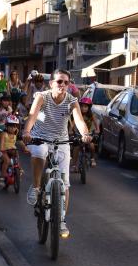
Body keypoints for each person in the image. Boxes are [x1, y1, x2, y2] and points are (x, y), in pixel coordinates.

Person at [22, 69, 92, 238]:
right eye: (59, 82)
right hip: (40, 137)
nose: (63, 85)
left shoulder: (72, 100)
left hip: (62, 141)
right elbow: (32, 116)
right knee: (39, 152)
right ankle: (37, 187)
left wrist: (85, 134)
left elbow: (79, 121)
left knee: (65, 183)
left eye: (66, 82)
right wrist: (26, 131)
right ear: (51, 83)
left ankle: (61, 220)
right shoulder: (41, 96)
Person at [0, 115, 29, 186]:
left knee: (16, 155)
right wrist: (3, 149)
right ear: (6, 126)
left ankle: (18, 168)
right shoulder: (4, 133)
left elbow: (20, 142)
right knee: (7, 161)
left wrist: (25, 148)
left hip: (11, 149)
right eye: (11, 126)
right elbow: (2, 143)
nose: (13, 128)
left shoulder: (16, 133)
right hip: (2, 150)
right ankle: (2, 177)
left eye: (15, 126)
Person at [70, 97, 100, 171]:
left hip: (88, 134)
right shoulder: (77, 114)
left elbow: (96, 125)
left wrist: (97, 130)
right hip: (78, 134)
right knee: (76, 148)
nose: (84, 108)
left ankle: (92, 158)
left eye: (86, 107)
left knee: (92, 146)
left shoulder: (91, 115)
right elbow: (72, 124)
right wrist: (70, 131)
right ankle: (74, 165)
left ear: (89, 107)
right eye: (82, 106)